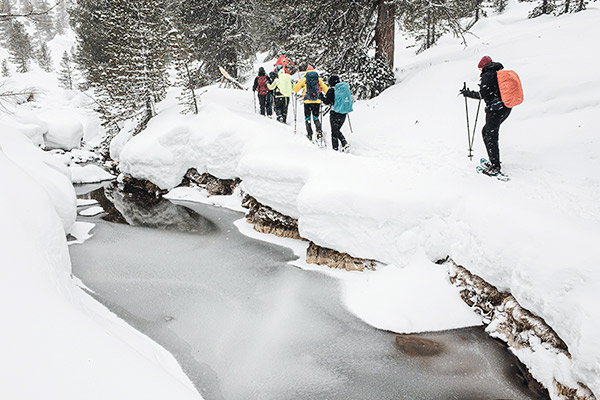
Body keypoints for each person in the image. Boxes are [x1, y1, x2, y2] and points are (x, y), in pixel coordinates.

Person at [460, 56, 511, 176]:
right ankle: (494, 161)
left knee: (490, 135)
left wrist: (467, 93)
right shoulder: (498, 72)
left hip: (495, 109)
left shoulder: (488, 75)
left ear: (483, 67)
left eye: (480, 69)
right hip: (505, 108)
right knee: (487, 132)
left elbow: (482, 94)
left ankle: (495, 167)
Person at [292, 66, 328, 141]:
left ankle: (309, 134)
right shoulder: (318, 79)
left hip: (307, 101)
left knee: (307, 118)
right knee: (316, 117)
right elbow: (326, 89)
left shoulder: (304, 79)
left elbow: (295, 89)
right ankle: (319, 132)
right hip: (317, 101)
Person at [322, 75, 351, 152]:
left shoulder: (332, 90)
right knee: (337, 130)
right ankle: (343, 144)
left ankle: (337, 148)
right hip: (344, 113)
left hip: (335, 113)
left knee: (334, 131)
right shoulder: (343, 89)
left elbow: (327, 101)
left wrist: (321, 96)